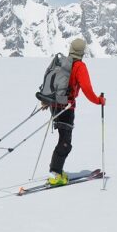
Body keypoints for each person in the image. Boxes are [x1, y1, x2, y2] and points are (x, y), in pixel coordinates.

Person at [47, 38, 105, 186]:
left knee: (63, 139)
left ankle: (56, 171)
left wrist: (46, 101)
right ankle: (56, 174)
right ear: (82, 52)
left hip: (54, 104)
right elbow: (87, 89)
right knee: (65, 142)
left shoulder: (63, 62)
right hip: (66, 107)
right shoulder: (79, 66)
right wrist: (99, 100)